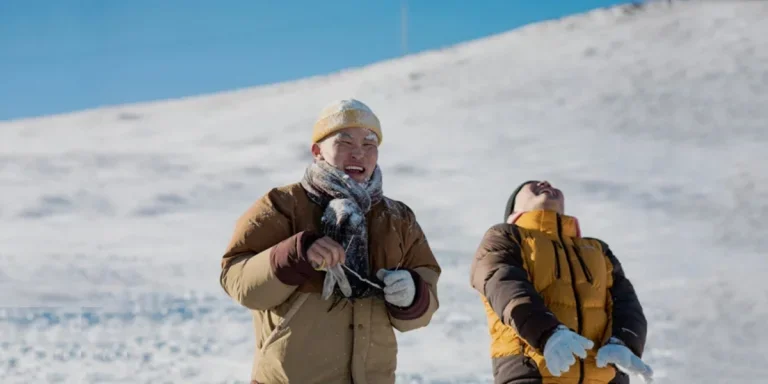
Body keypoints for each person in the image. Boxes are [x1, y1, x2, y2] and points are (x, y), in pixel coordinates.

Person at [218, 98, 441, 384]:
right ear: (317, 152)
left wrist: (413, 295)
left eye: (369, 144)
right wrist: (295, 255)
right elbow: (238, 280)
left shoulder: (398, 218)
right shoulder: (283, 205)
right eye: (345, 142)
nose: (358, 154)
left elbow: (423, 301)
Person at [469, 180, 652, 384]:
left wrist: (625, 343)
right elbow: (503, 282)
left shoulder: (599, 250)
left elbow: (626, 303)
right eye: (530, 185)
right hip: (533, 375)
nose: (545, 183)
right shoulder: (506, 237)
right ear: (514, 209)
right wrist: (547, 332)